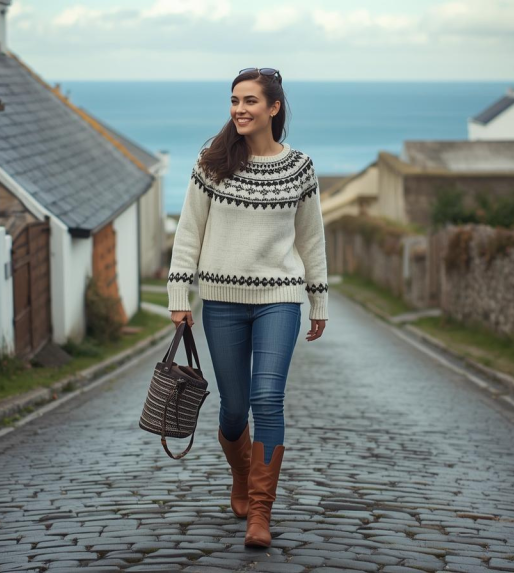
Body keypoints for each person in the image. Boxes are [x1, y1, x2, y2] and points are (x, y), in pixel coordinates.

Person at [166, 67, 329, 548]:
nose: (239, 109)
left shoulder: (300, 168)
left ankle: (261, 512)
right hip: (220, 300)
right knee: (234, 408)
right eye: (235, 100)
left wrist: (317, 298)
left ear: (274, 108)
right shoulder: (211, 162)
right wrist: (180, 296)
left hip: (280, 298)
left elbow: (311, 238)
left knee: (267, 399)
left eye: (250, 101)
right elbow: (189, 231)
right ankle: (241, 475)